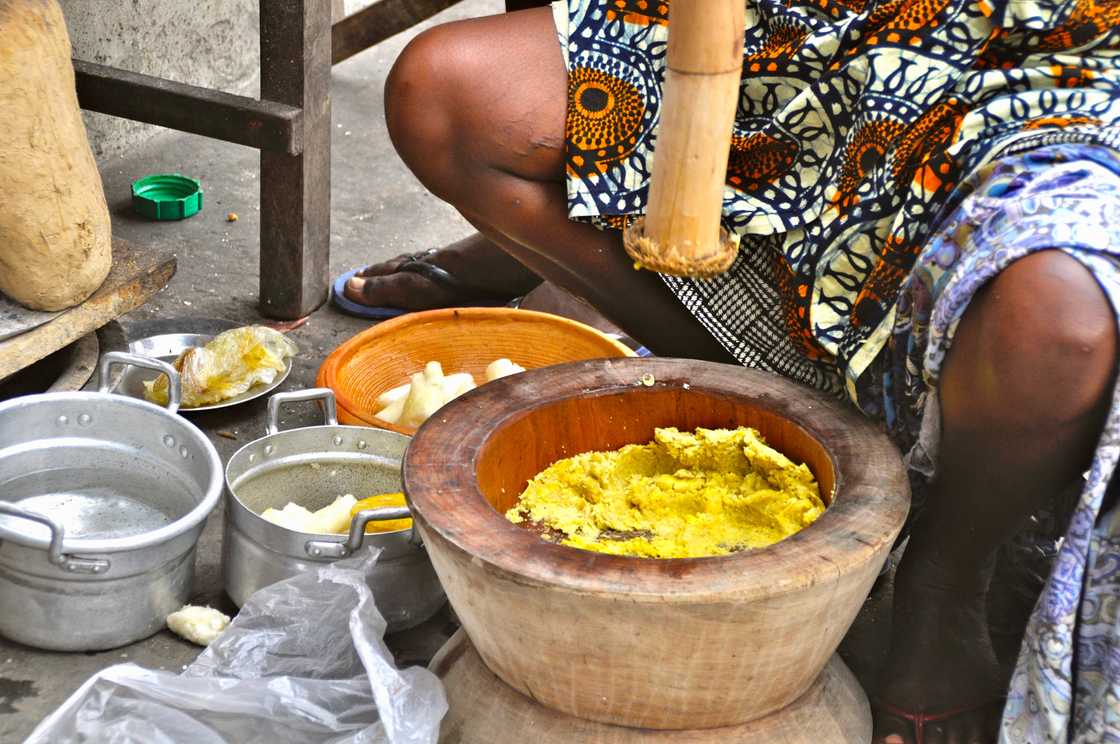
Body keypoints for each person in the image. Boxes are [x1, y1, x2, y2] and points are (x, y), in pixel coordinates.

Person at [369, 1, 1120, 741]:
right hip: (817, 25)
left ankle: (945, 583)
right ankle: (746, 390)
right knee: (446, 97)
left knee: (1058, 326)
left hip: (1062, 71)